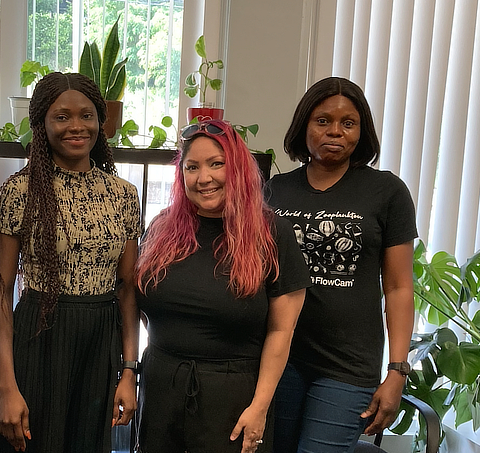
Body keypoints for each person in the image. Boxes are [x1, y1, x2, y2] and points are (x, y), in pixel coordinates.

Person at [134, 119, 310, 453]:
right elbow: (146, 305)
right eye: (192, 167)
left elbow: (281, 333)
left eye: (217, 164)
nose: (204, 178)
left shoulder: (272, 235)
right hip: (160, 388)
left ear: (239, 168)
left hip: (233, 399)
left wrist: (259, 408)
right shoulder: (161, 229)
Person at [0, 72, 141, 453]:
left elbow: (126, 289)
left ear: (100, 121)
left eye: (87, 115)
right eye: (61, 116)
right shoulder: (19, 190)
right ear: (41, 123)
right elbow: (2, 290)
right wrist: (6, 387)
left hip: (99, 341)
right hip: (39, 338)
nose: (76, 126)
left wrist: (129, 370)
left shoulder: (123, 194)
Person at [267, 77, 417, 453]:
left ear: (361, 131)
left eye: (348, 123)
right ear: (304, 126)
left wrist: (397, 371)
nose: (335, 131)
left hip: (347, 366)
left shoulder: (387, 192)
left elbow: (398, 288)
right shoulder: (273, 191)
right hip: (279, 359)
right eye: (322, 121)